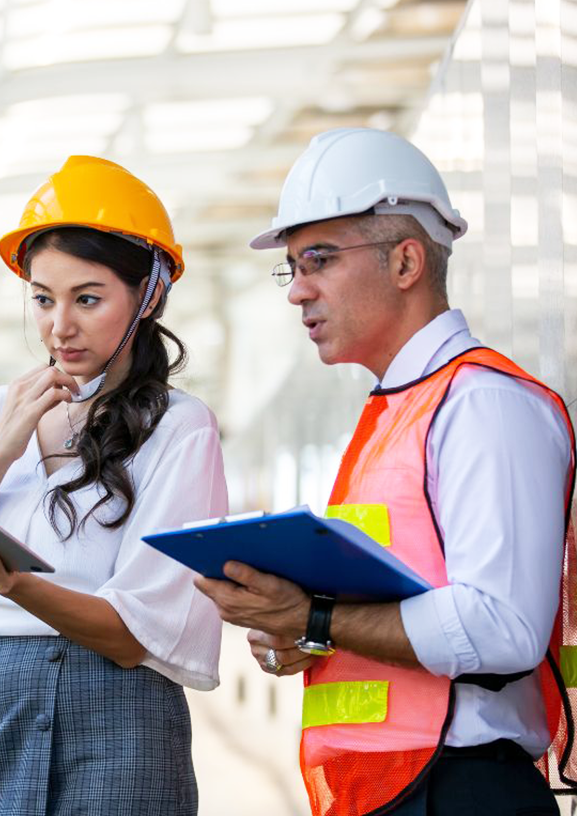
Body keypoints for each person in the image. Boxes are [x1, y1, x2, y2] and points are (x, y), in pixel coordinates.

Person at [195, 128, 576, 816]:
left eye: (319, 260)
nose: (297, 291)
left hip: (461, 790)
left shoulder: (483, 402)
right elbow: (385, 602)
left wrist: (314, 615)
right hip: (391, 790)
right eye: (293, 266)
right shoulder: (392, 415)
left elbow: (502, 626)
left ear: (406, 262)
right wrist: (300, 635)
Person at [0, 155, 228, 816]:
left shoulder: (181, 429)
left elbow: (134, 635)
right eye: (44, 298)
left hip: (124, 736)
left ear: (149, 295)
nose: (59, 326)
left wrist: (10, 581)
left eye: (88, 298)